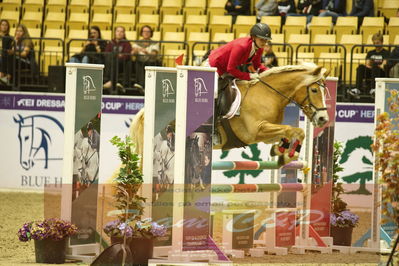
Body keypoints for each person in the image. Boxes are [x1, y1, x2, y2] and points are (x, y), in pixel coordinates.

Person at [206, 23, 271, 144]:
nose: (264, 42)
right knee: (214, 93)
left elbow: (258, 66)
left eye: (266, 40)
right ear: (253, 37)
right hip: (214, 66)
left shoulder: (259, 49)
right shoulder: (241, 46)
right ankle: (212, 129)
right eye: (262, 39)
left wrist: (271, 72)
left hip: (226, 69)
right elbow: (231, 69)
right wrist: (249, 76)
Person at [348, 33, 390, 99]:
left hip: (381, 72)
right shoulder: (370, 53)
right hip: (371, 71)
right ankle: (357, 89)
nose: (376, 45)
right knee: (361, 67)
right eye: (374, 43)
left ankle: (373, 89)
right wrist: (371, 66)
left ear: (382, 42)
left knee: (375, 67)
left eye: (378, 43)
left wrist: (374, 65)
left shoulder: (386, 53)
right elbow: (367, 64)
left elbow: (383, 65)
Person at [131, 25, 161, 93]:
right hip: (139, 61)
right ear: (141, 33)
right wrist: (134, 51)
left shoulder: (155, 43)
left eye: (148, 31)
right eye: (144, 31)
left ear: (151, 33)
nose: (146, 33)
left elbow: (154, 54)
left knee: (146, 63)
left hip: (151, 62)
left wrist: (146, 52)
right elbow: (133, 53)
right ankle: (140, 85)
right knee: (137, 63)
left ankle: (143, 86)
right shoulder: (137, 43)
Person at [103, 26, 132, 92]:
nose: (119, 33)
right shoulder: (111, 43)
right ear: (115, 33)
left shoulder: (127, 43)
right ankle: (111, 82)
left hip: (122, 64)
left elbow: (126, 55)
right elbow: (106, 53)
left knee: (114, 59)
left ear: (124, 34)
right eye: (118, 31)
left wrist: (117, 56)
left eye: (121, 32)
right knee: (111, 59)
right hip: (112, 63)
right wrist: (118, 55)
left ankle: (110, 81)